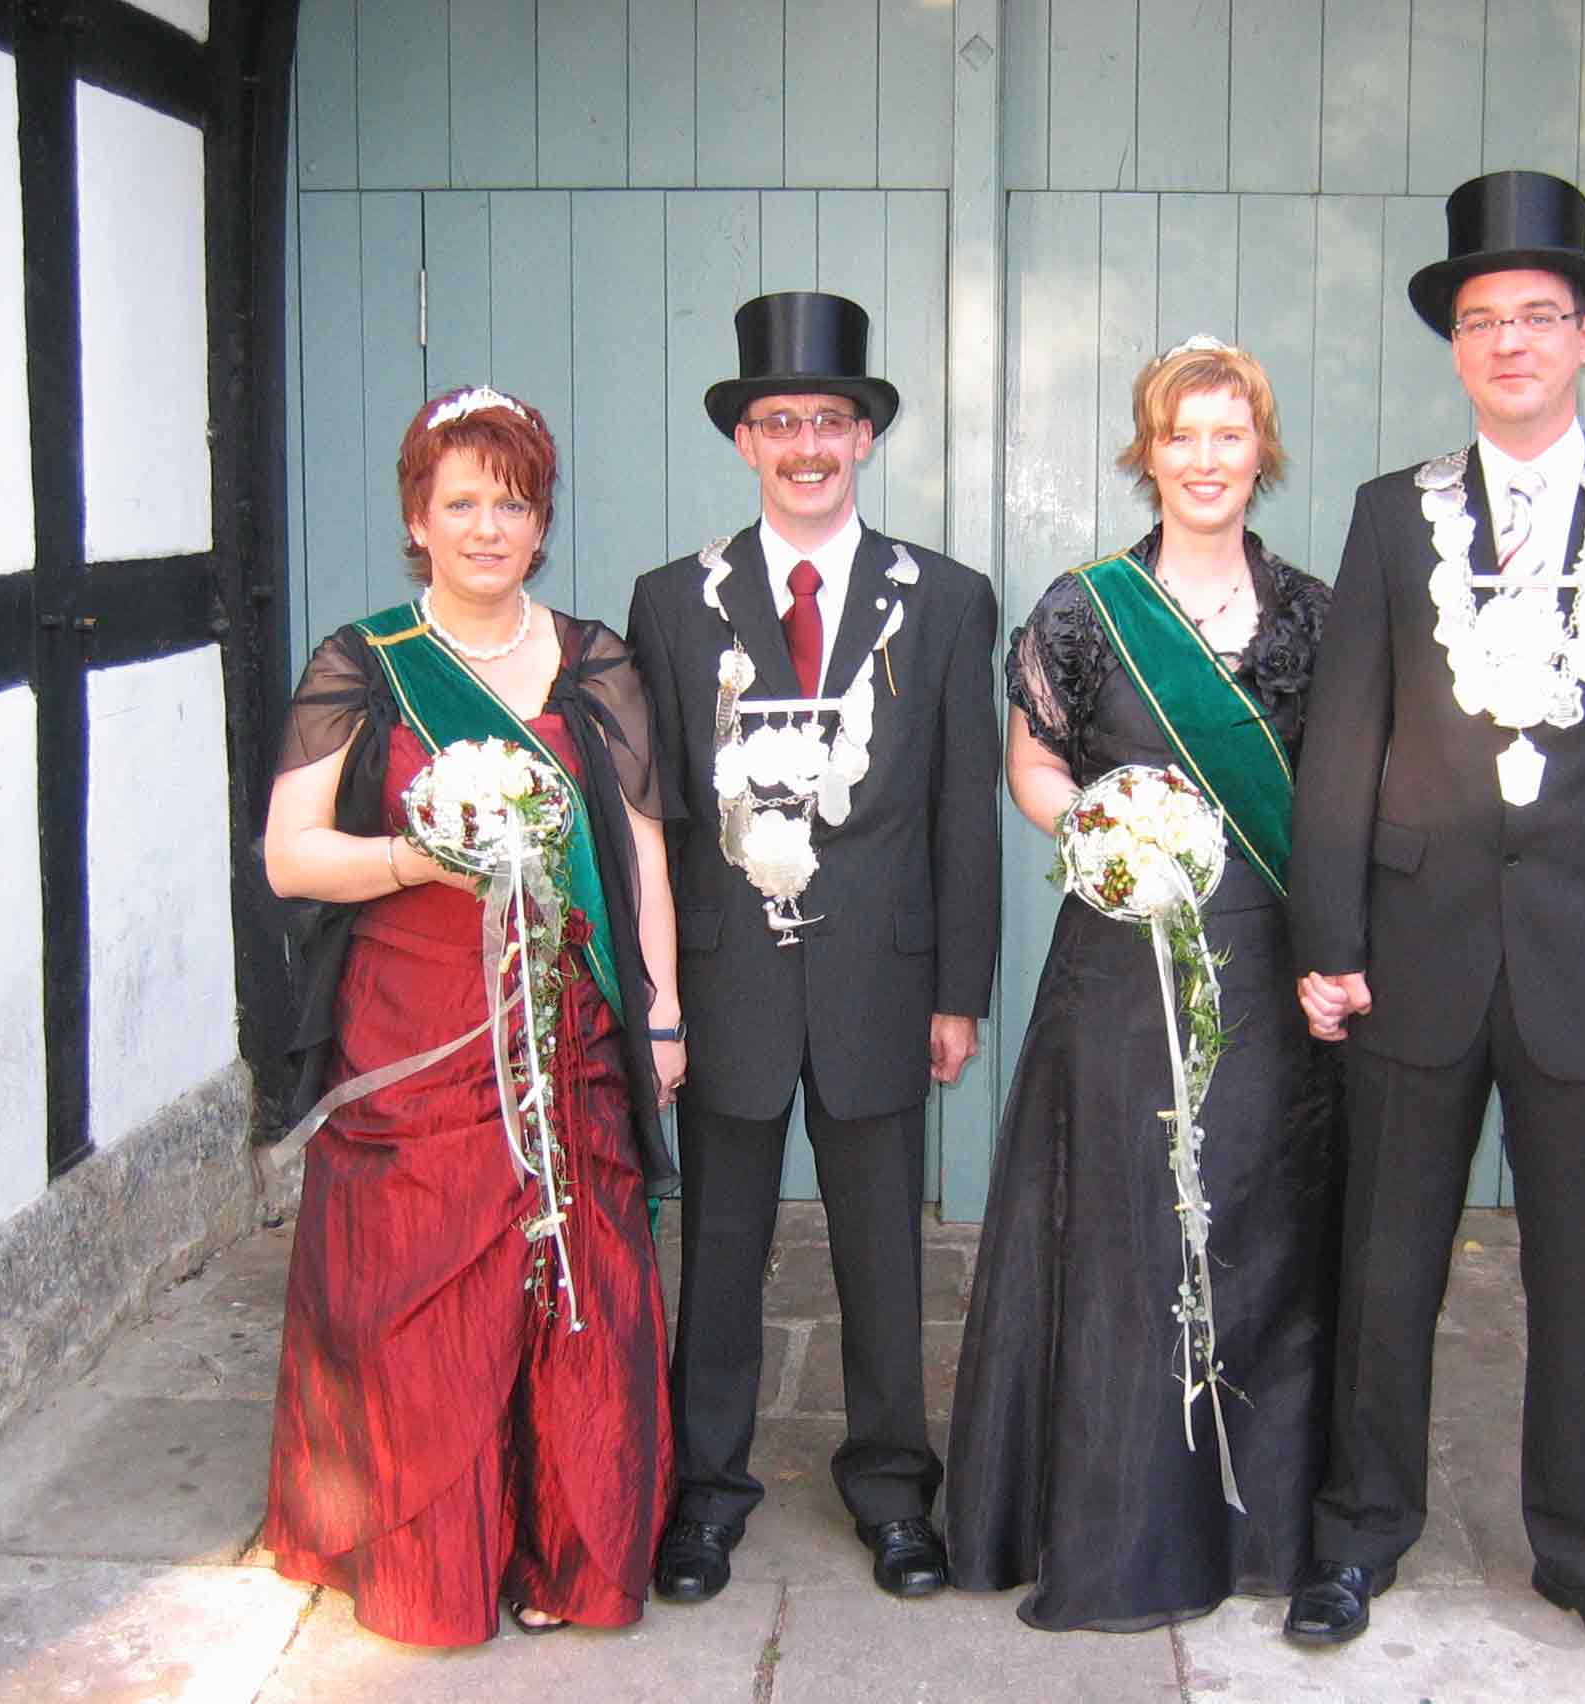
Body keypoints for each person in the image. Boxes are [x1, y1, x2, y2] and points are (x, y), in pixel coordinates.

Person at [1284, 171, 1585, 1670]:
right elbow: (1343, 743)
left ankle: (1583, 1552)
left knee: (1580, 1276)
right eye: (1482, 320)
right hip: (1411, 954)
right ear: (1456, 346)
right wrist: (1326, 941)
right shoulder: (1391, 514)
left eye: (1538, 317)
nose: (1509, 343)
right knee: (1386, 1265)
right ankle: (1359, 1533)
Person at [260, 385, 684, 1645]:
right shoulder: (362, 663)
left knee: (573, 1285)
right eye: (460, 504)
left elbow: (642, 851)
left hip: (567, 1023)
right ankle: (432, 1560)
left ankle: (567, 1553)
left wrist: (662, 1012)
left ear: (542, 521)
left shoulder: (596, 660)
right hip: (413, 1027)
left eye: (512, 504)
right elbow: (290, 855)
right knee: (422, 1295)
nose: (487, 529)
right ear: (417, 518)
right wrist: (418, 858)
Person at [946, 337, 1342, 1631]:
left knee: (1256, 1226)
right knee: (1127, 1228)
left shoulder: (1315, 615)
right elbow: (1033, 767)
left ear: (1260, 451)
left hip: (1266, 968)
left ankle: (1259, 1524)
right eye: (1183, 436)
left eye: (1231, 434)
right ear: (1148, 452)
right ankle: (1119, 1526)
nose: (1206, 459)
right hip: (1120, 963)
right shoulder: (1084, 609)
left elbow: (1337, 796)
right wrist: (1103, 833)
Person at [625, 292, 1000, 1602]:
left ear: (864, 438)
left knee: (883, 1255)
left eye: (828, 420)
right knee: (720, 1249)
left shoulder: (944, 599)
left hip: (879, 981)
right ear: (744, 441)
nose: (805, 445)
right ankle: (705, 1494)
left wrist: (959, 992)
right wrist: (660, 998)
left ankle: (894, 1492)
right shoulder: (672, 602)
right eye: (778, 421)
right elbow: (659, 816)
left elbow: (962, 807)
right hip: (728, 976)